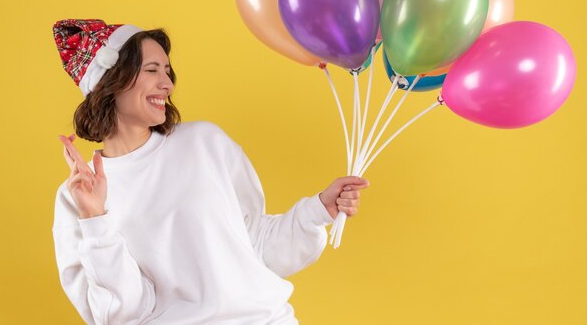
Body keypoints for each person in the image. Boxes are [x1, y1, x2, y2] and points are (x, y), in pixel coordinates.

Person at [51, 19, 370, 324]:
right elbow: (122, 315)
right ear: (110, 83)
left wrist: (318, 210)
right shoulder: (77, 198)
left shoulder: (205, 143)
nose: (168, 83)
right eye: (151, 70)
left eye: (167, 70)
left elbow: (255, 243)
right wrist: (95, 220)